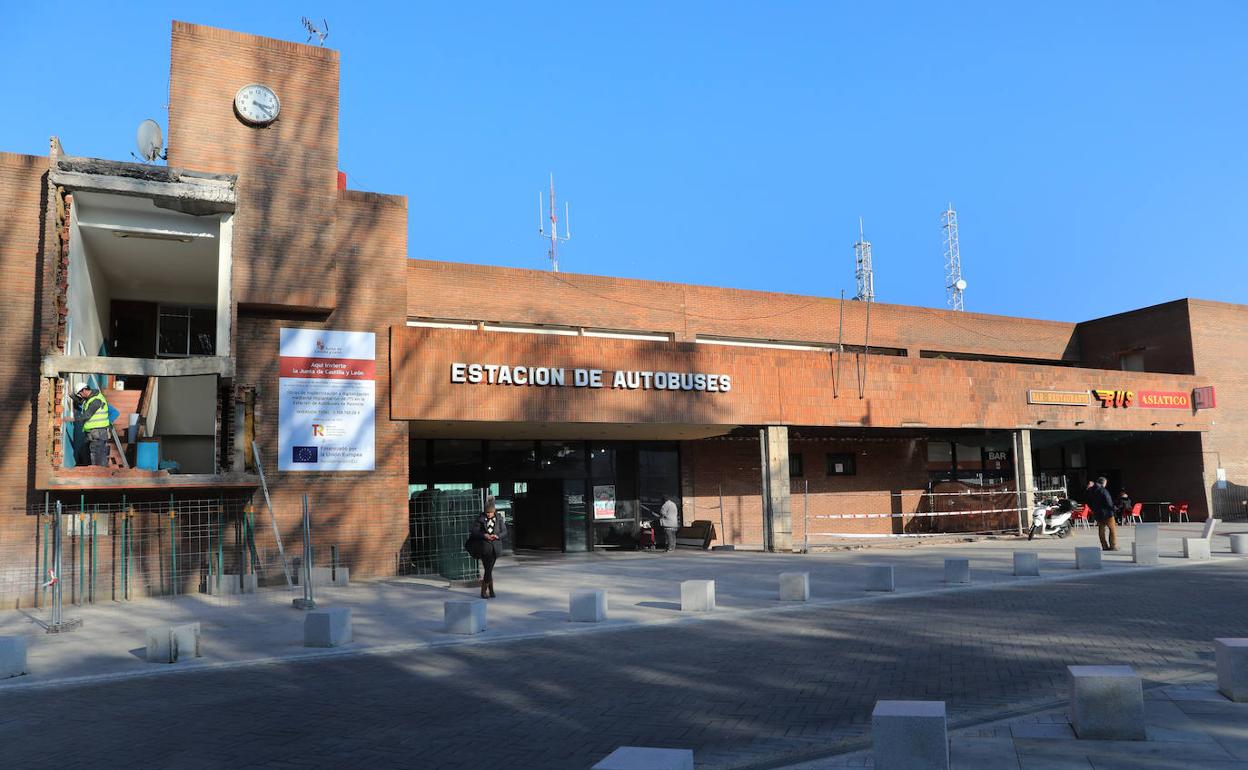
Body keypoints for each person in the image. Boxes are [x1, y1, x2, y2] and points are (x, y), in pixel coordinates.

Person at [467, 498, 507, 598]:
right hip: (484, 548)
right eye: (487, 512)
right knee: (488, 569)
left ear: (494, 511)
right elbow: (474, 531)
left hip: (495, 548)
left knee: (489, 569)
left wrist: (497, 536)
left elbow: (504, 532)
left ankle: (491, 590)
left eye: (491, 512)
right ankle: (484, 591)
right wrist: (484, 535)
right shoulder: (480, 519)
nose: (489, 514)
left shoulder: (499, 519)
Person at [69, 382, 112, 467]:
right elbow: (81, 402)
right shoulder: (90, 398)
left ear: (84, 390)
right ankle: (100, 474)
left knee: (98, 456)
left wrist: (71, 419)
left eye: (80, 394)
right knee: (95, 454)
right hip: (94, 433)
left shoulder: (96, 400)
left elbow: (87, 415)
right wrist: (72, 395)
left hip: (98, 433)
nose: (80, 396)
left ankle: (100, 476)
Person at [1088, 476, 1118, 551]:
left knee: (1101, 530)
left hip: (1098, 513)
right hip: (1107, 513)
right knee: (1112, 530)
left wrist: (1094, 509)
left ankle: (1104, 546)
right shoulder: (1103, 490)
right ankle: (1113, 545)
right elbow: (1108, 501)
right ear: (1104, 483)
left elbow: (1088, 502)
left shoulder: (1091, 491)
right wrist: (1113, 509)